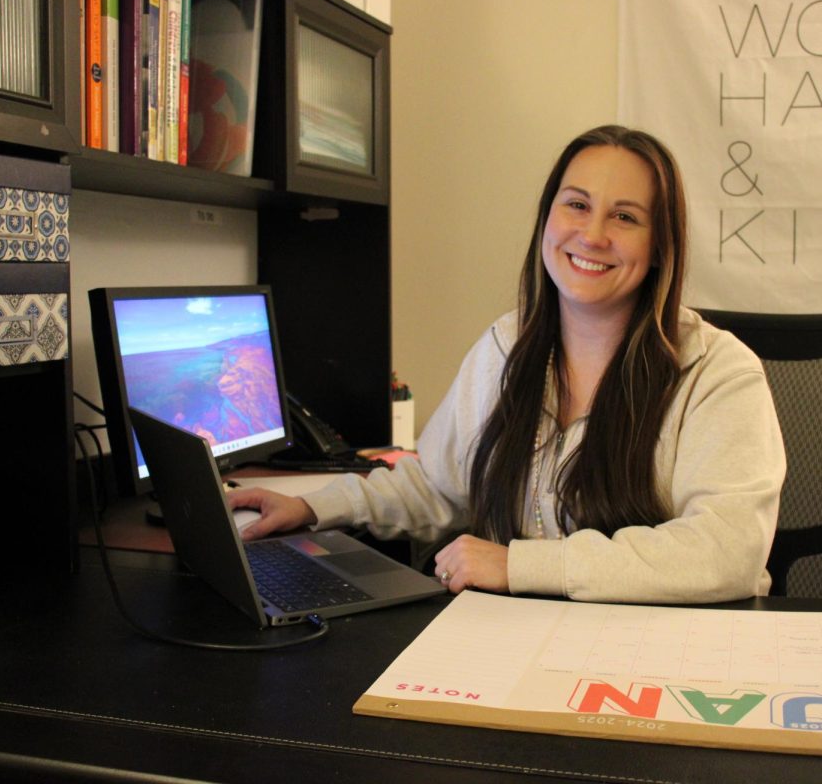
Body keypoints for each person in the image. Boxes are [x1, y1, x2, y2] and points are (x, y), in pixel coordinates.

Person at [231, 125, 786, 604]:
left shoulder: (717, 373)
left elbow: (728, 549)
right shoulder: (507, 346)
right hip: (518, 641)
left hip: (658, 659)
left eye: (624, 216)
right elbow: (440, 487)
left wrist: (518, 566)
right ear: (546, 218)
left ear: (662, 243)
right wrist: (311, 506)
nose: (592, 235)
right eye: (576, 205)